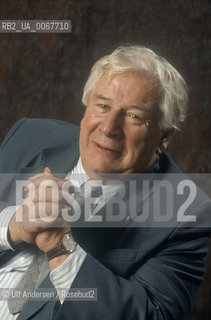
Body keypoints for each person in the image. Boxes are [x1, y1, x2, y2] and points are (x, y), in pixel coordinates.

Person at [0, 45, 210, 320]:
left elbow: (150, 315)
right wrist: (14, 226)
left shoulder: (186, 213)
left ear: (164, 137)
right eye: (102, 105)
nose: (109, 128)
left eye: (134, 115)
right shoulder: (30, 136)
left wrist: (60, 246)